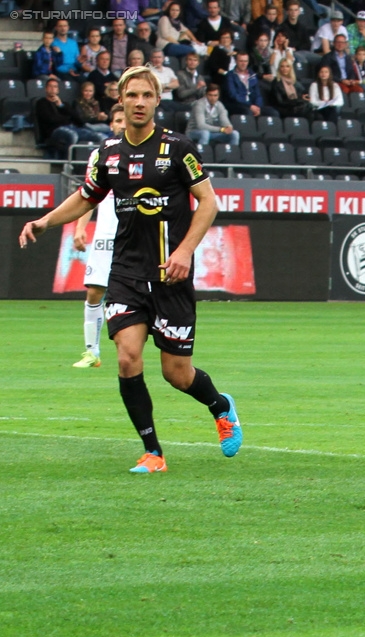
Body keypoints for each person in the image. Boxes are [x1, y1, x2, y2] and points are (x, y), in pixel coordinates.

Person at [19, 66, 243, 475]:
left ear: (157, 101)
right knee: (127, 359)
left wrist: (186, 251)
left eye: (147, 95)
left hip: (170, 275)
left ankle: (221, 406)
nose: (139, 102)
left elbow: (208, 203)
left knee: (177, 373)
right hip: (125, 273)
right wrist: (44, 221)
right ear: (120, 100)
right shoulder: (106, 154)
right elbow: (85, 198)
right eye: (132, 95)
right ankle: (153, 452)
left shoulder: (179, 149)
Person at [68, 105, 127, 368]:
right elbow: (89, 196)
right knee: (94, 292)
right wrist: (80, 228)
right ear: (111, 124)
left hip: (136, 236)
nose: (122, 124)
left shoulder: (148, 154)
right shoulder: (100, 155)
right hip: (105, 234)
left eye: (125, 119)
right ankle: (92, 352)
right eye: (117, 120)